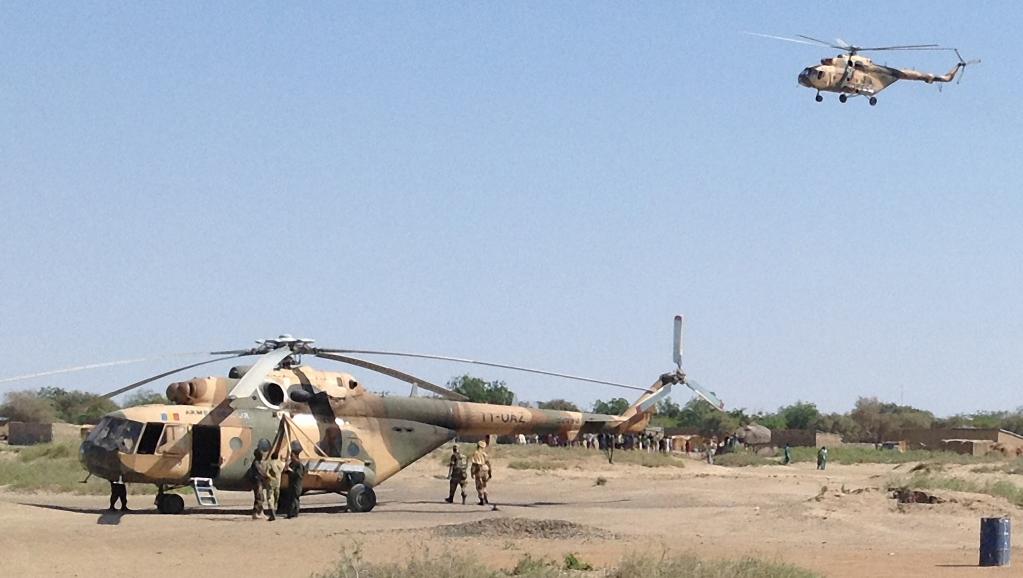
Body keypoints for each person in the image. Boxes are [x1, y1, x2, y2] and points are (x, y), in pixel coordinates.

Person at [251, 439, 276, 521]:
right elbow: (261, 472)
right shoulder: (256, 463)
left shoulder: (258, 462)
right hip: (258, 482)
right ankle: (257, 513)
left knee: (260, 497)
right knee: (259, 497)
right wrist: (268, 476)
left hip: (259, 482)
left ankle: (259, 512)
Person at [283, 443, 306, 518]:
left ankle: (293, 513)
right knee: (291, 498)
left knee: (294, 499)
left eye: (292, 455)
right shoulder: (292, 463)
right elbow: (287, 472)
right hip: (291, 484)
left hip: (296, 484)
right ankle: (292, 513)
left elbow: (299, 475)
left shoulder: (299, 465)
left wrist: (290, 471)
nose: (291, 457)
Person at [470, 440, 492, 505]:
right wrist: (490, 473)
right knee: (484, 485)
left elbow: (474, 464)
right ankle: (486, 498)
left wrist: (472, 472)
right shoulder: (484, 454)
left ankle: (482, 499)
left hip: (479, 469)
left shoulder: (476, 453)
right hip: (485, 469)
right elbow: (488, 463)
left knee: (479, 486)